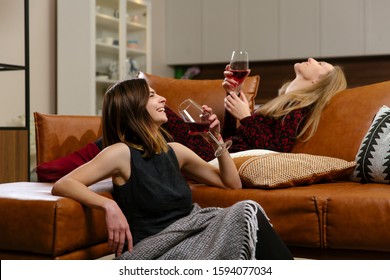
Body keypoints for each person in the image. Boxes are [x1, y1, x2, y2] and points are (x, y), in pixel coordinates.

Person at [51, 78, 293, 260]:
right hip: (155, 247)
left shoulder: (175, 151)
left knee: (246, 213)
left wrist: (216, 140)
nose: (163, 100)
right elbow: (64, 183)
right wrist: (109, 205)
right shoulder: (121, 153)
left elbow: (232, 183)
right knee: (245, 213)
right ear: (134, 107)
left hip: (192, 230)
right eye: (153, 96)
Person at [221, 57, 347, 153]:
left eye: (320, 64)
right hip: (224, 154)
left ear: (319, 81)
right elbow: (230, 138)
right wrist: (233, 94)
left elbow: (276, 151)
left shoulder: (297, 109)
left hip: (228, 158)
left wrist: (245, 118)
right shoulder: (283, 105)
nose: (311, 59)